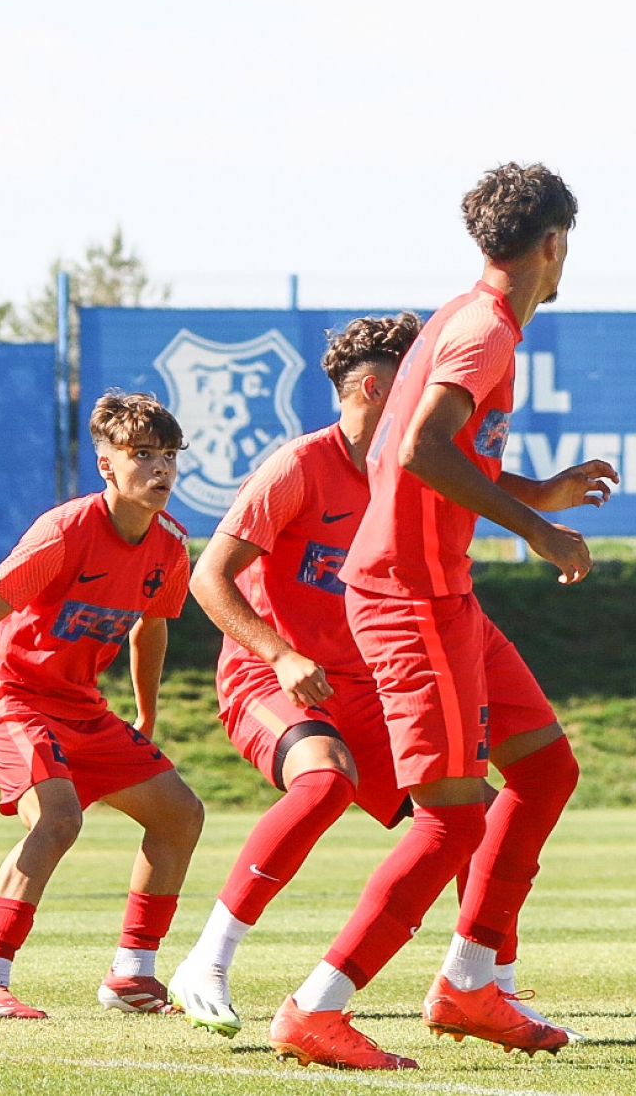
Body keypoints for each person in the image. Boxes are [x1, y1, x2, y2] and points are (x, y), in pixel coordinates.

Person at [267, 162, 617, 1071]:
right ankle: (317, 1006)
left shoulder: (462, 318)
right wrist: (538, 530)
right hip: (409, 597)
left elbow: (418, 452)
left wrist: (536, 492)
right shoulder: (484, 331)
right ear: (553, 244)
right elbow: (422, 448)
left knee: (544, 769)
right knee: (453, 818)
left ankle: (470, 983)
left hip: (441, 591)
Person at [0, 392, 204, 1021]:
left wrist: (145, 714)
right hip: (7, 692)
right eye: (142, 454)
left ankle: (132, 975)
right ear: (106, 464)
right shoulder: (65, 531)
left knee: (180, 814)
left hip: (79, 704)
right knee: (59, 819)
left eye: (169, 455)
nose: (160, 468)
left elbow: (150, 628)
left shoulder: (171, 547)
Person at [165, 314, 422, 1037]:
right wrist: (280, 654)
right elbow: (207, 578)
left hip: (363, 689)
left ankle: (483, 981)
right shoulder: (299, 466)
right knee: (326, 781)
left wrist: (544, 500)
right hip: (268, 677)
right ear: (373, 389)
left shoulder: (407, 474)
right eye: (414, 381)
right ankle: (207, 962)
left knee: (472, 817)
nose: (430, 395)